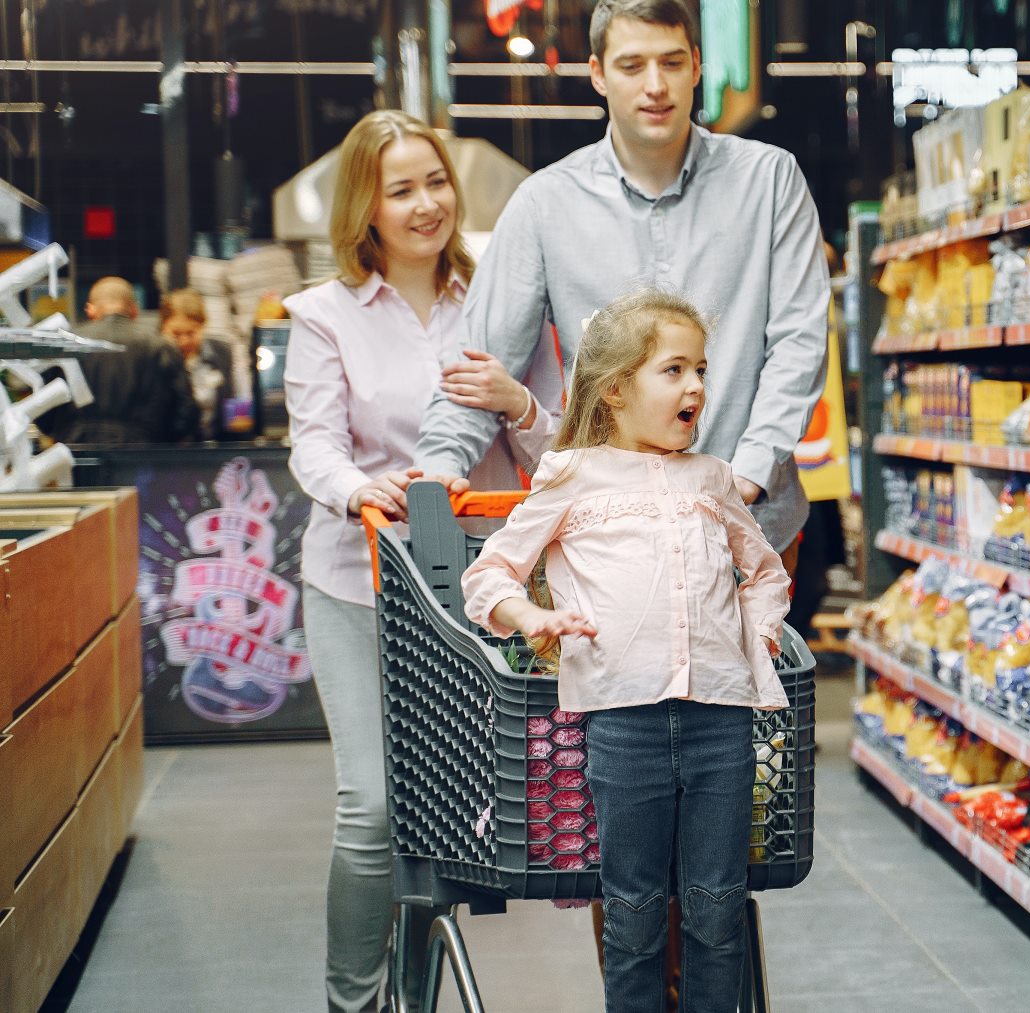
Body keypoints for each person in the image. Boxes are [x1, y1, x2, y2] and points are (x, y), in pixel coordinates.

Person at [283, 108, 560, 1013]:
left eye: (436, 181)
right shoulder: (323, 316)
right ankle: (350, 1001)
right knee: (371, 807)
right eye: (401, 189)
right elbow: (311, 445)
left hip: (471, 597)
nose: (426, 203)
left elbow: (561, 451)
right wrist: (357, 489)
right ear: (365, 206)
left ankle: (417, 994)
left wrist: (518, 401)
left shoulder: (502, 302)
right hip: (358, 584)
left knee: (441, 812)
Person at [409, 0, 829, 580]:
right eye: (632, 66)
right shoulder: (545, 204)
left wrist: (746, 479)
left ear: (697, 66)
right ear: (599, 75)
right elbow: (482, 365)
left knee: (757, 672)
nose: (655, 86)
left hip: (753, 533)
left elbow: (799, 343)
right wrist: (436, 468)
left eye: (671, 62)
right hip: (609, 542)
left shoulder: (770, 181)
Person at [461, 290, 790, 1013]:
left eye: (701, 369)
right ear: (615, 389)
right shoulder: (571, 474)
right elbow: (488, 574)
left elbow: (766, 572)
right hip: (621, 722)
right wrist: (529, 616)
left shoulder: (712, 477)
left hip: (722, 721)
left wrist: (756, 637)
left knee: (716, 907)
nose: (696, 387)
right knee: (636, 912)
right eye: (673, 370)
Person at [38, 277, 201, 445]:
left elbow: (43, 412)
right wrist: (163, 441)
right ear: (134, 310)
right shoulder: (161, 347)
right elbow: (186, 412)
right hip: (143, 456)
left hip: (78, 454)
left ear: (90, 310)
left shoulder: (65, 345)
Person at [158, 288, 230, 439]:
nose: (184, 341)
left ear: (203, 326)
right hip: (169, 447)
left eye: (191, 333)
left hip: (215, 445)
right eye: (176, 334)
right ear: (163, 328)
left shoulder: (221, 352)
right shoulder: (154, 356)